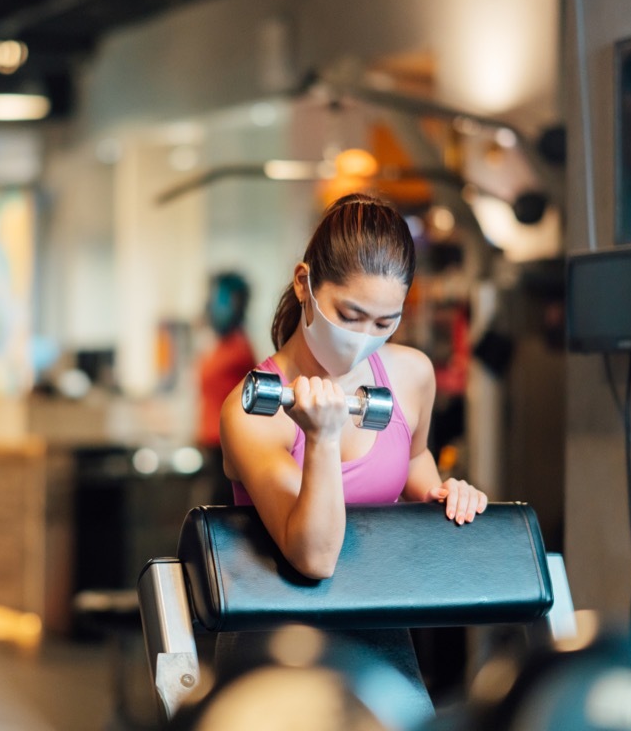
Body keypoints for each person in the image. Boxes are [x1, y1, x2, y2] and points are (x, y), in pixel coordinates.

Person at [217, 192, 488, 721]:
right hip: (278, 652)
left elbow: (411, 461)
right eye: (351, 315)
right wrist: (320, 438)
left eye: (385, 322)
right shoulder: (253, 408)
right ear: (305, 285)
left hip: (380, 639)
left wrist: (443, 492)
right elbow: (313, 558)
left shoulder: (410, 376)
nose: (365, 339)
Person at [195, 271, 257, 505]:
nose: (208, 305)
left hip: (225, 449)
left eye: (215, 298)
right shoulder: (222, 345)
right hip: (212, 447)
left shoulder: (239, 349)